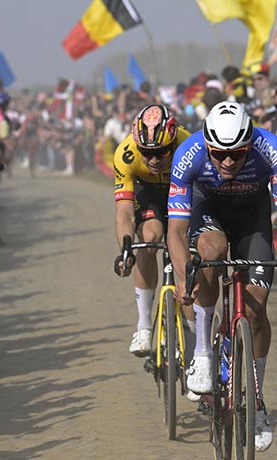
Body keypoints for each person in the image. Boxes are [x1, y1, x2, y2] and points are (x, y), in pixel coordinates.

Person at [167, 101, 277, 452]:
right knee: (210, 254)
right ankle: (202, 351)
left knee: (257, 312)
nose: (228, 162)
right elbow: (175, 231)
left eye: (237, 154)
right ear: (207, 145)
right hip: (208, 210)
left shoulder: (270, 148)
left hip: (252, 218)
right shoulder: (188, 153)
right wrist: (186, 277)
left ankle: (256, 400)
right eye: (219, 154)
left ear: (250, 143)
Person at [112, 104, 191, 356]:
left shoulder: (188, 145)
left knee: (189, 248)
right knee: (149, 238)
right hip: (148, 193)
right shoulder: (125, 153)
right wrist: (126, 249)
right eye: (147, 152)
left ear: (173, 142)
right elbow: (124, 212)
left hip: (183, 190)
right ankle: (144, 325)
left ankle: (193, 338)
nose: (154, 159)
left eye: (162, 152)